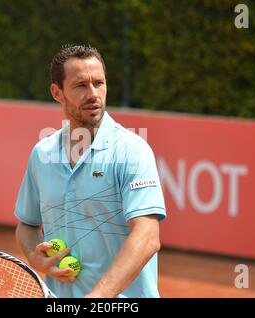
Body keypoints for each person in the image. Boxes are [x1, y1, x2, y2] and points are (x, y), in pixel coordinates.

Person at [14, 44, 166, 298]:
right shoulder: (42, 154)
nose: (93, 94)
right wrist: (33, 255)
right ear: (57, 92)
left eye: (99, 83)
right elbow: (27, 225)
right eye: (81, 85)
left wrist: (97, 298)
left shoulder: (132, 150)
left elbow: (148, 237)